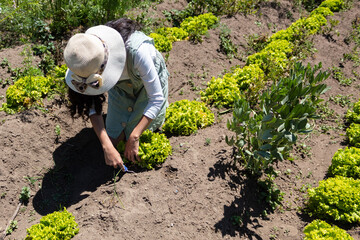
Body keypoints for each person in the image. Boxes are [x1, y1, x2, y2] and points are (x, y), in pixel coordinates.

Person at [64, 18, 169, 171]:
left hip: (148, 87)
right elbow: (91, 104)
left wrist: (134, 136)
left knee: (132, 137)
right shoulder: (84, 59)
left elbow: (156, 98)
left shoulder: (138, 52)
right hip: (120, 86)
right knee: (114, 139)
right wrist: (106, 145)